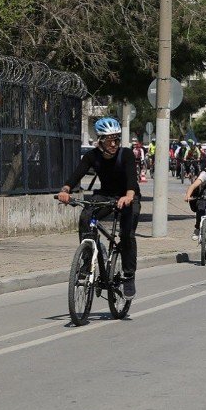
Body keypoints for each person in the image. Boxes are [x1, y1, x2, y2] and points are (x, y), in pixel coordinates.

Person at [57, 117, 140, 299]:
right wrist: (65, 190)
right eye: (109, 140)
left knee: (126, 234)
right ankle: (88, 259)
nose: (114, 143)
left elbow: (132, 180)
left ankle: (128, 275)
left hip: (128, 197)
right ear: (100, 141)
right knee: (86, 217)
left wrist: (129, 196)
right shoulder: (91, 156)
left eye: (116, 139)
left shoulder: (125, 154)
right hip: (106, 195)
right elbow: (76, 175)